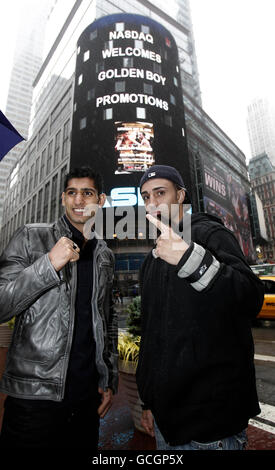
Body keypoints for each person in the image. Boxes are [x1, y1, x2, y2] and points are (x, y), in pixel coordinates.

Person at [136, 164, 264, 451]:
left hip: (212, 426)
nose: (152, 202)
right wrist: (148, 402)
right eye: (145, 196)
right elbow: (152, 335)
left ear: (180, 195)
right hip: (166, 422)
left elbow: (250, 298)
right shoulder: (151, 261)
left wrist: (190, 259)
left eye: (160, 192)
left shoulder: (210, 234)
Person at [0, 167, 118, 449]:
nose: (79, 201)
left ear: (100, 201)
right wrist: (48, 265)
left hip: (86, 400)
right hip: (33, 399)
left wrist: (108, 379)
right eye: (72, 193)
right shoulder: (31, 238)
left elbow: (107, 320)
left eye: (87, 193)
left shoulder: (105, 255)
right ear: (63, 199)